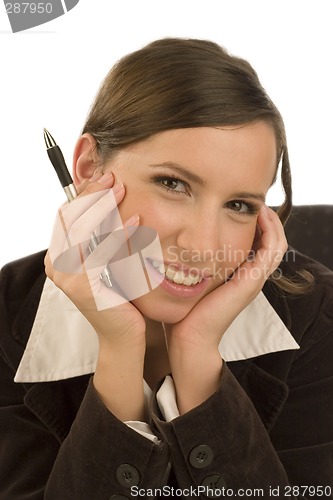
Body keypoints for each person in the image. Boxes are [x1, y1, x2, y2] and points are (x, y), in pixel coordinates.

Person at [0, 38, 332, 500]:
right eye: (173, 183)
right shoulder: (6, 324)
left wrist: (198, 357)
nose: (202, 246)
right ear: (89, 167)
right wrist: (119, 348)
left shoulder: (316, 315)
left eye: (238, 205)